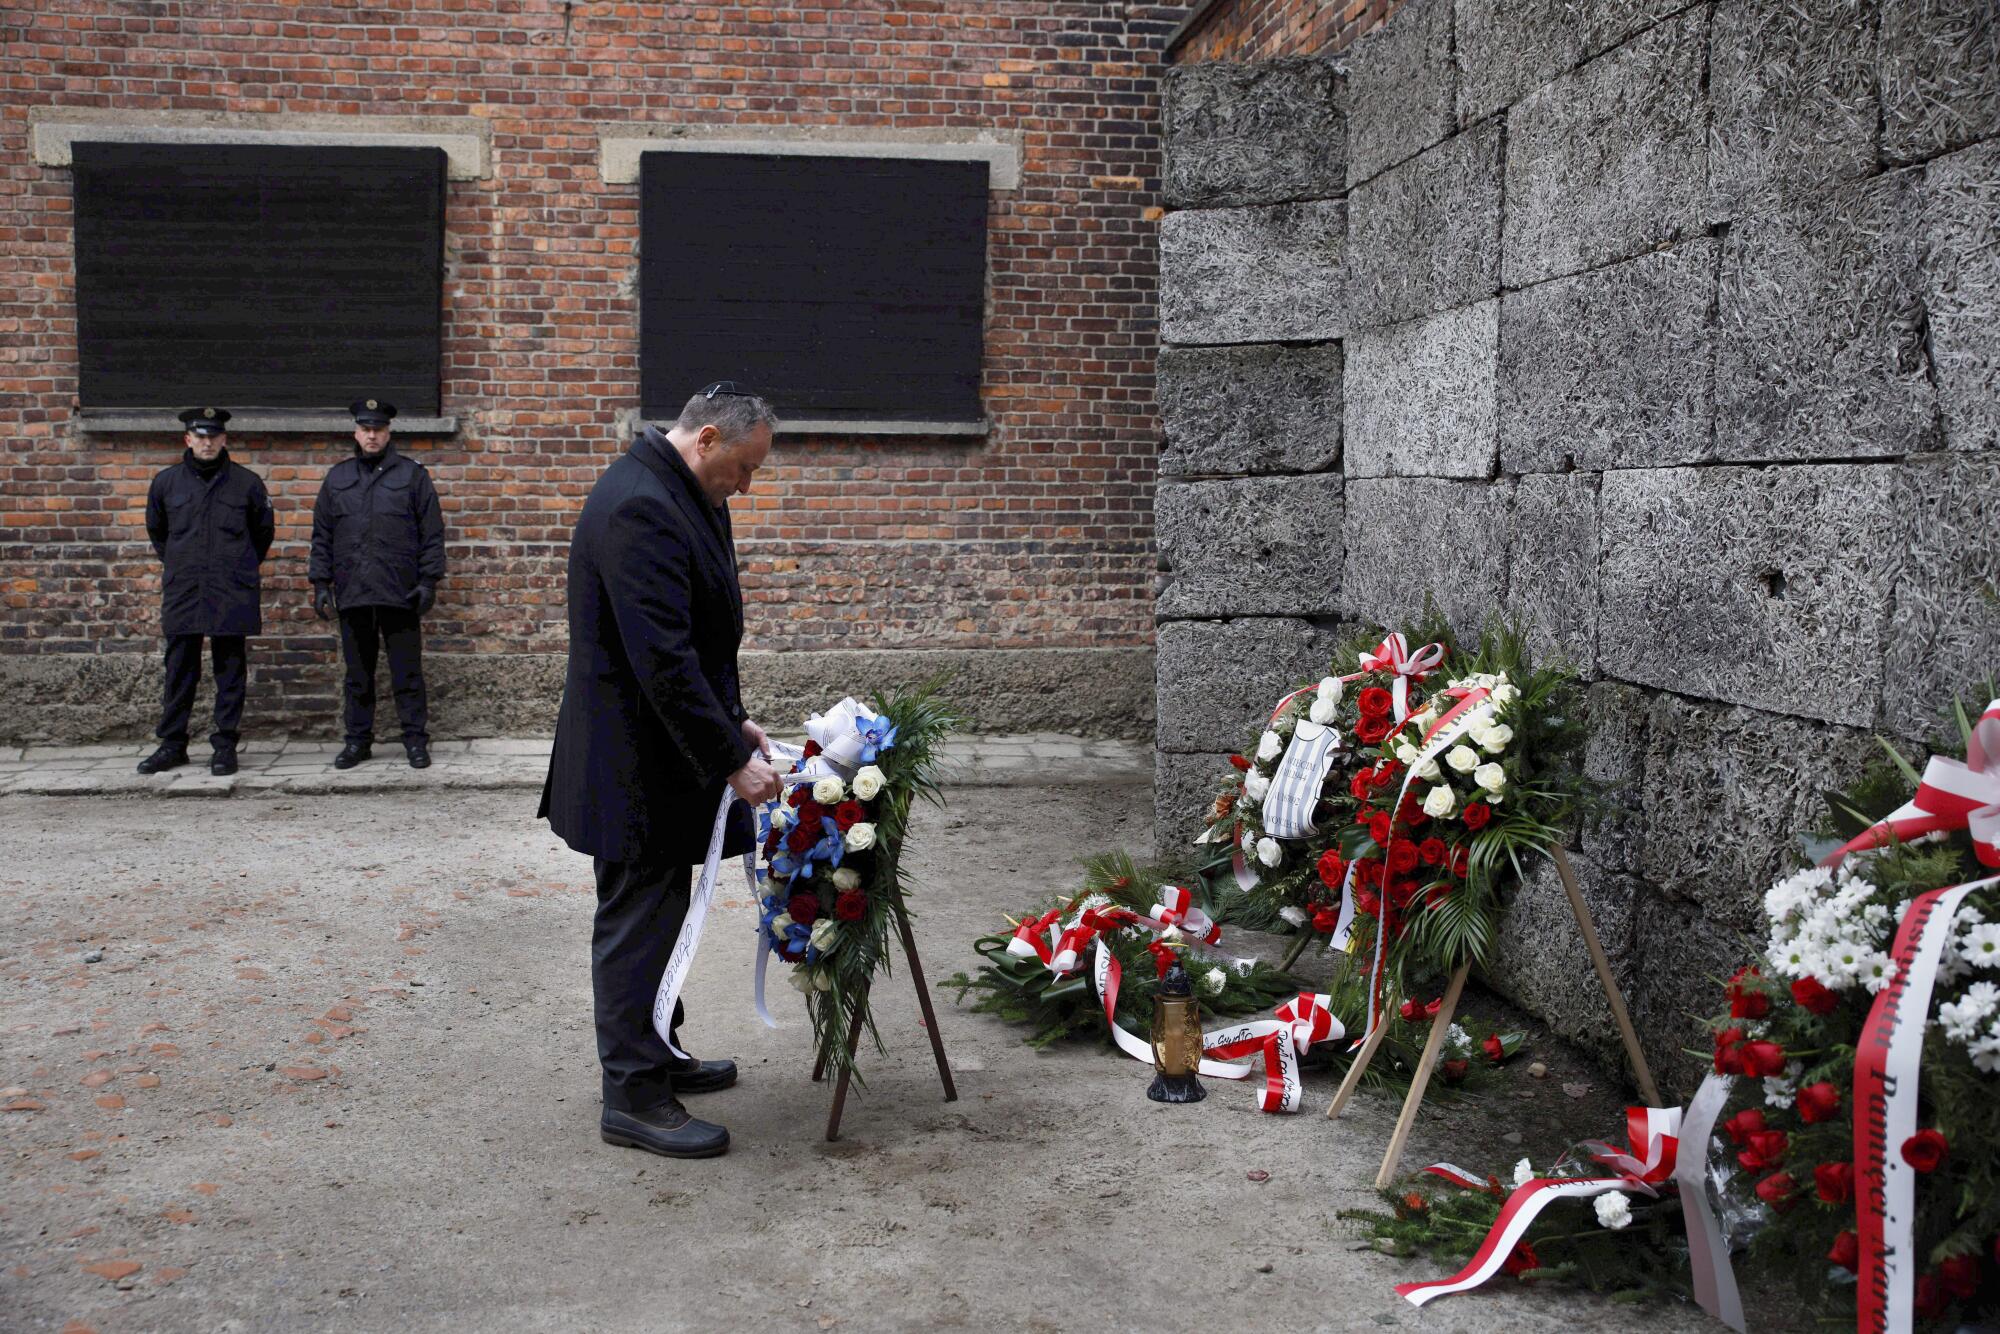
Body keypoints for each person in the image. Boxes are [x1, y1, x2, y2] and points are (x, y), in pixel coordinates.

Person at [539, 382, 783, 1160]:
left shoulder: (686, 490)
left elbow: (700, 636)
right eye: (742, 469)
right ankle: (634, 1097)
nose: (745, 487)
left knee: (662, 915)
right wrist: (730, 761)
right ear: (707, 438)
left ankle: (660, 1055)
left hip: (663, 755)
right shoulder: (639, 506)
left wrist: (730, 720)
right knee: (636, 925)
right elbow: (662, 662)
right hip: (631, 765)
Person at [308, 399, 446, 770]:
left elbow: (431, 533)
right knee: (357, 675)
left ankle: (415, 741)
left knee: (408, 673)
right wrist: (321, 582)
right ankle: (357, 741)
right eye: (366, 429)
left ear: (388, 432)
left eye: (379, 429)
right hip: (352, 592)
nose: (372, 435)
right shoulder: (338, 479)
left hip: (400, 592)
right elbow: (322, 534)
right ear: (356, 432)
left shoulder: (413, 477)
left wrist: (428, 581)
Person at [137, 408, 275, 777]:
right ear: (188, 439)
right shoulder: (166, 483)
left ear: (224, 439)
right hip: (185, 588)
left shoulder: (247, 484)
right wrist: (187, 564)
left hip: (232, 587)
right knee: (179, 668)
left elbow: (262, 534)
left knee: (230, 668)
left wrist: (235, 563)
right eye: (200, 436)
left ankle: (225, 745)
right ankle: (172, 744)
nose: (208, 442)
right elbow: (159, 533)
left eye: (214, 436)